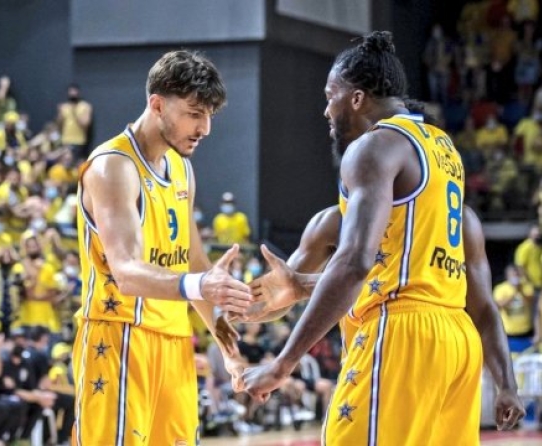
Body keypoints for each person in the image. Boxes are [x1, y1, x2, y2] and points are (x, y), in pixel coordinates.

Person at [241, 31, 515, 444]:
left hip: (402, 336)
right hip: (456, 343)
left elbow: (355, 263)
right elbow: (416, 277)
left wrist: (283, 364)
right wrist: (300, 286)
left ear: (356, 98)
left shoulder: (374, 147)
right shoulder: (442, 151)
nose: (325, 110)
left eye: (330, 96)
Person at [72, 50, 252, 445]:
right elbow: (126, 271)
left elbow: (195, 262)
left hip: (174, 342)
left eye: (209, 116)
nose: (204, 128)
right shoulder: (113, 166)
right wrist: (199, 285)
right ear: (157, 105)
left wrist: (228, 347)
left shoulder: (182, 167)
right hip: (119, 338)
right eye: (194, 113)